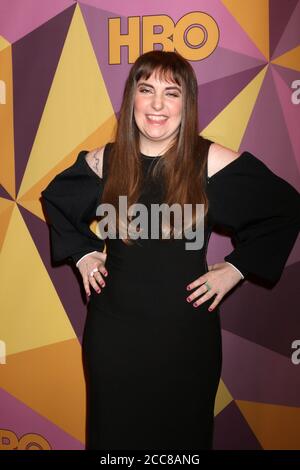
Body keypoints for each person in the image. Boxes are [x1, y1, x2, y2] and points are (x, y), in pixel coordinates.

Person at [41, 50, 300, 450]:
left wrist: (236, 268)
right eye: (146, 90)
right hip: (113, 338)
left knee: (181, 443)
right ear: (132, 100)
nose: (158, 104)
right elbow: (56, 199)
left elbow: (285, 209)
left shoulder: (209, 160)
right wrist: (82, 253)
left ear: (187, 103)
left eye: (171, 92)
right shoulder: (106, 161)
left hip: (185, 339)